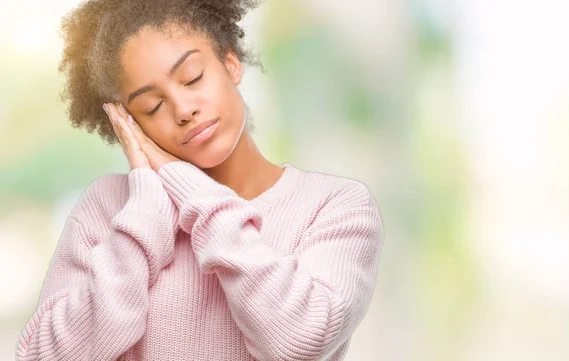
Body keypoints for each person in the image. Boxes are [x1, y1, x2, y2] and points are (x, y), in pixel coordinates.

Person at [15, 0, 385, 360]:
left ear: (231, 63)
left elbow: (296, 342)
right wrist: (146, 211)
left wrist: (188, 186)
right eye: (152, 107)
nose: (183, 109)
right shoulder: (110, 207)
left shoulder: (335, 206)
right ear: (129, 122)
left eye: (192, 78)